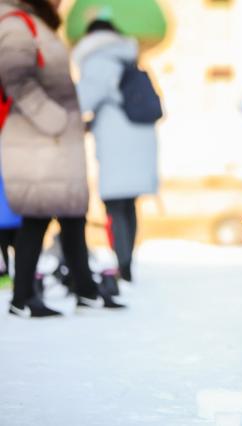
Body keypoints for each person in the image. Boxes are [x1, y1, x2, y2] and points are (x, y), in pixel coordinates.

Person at [0, 0, 123, 317]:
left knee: (72, 215)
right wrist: (55, 119)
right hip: (37, 140)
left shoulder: (36, 23)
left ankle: (85, 290)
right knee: (37, 216)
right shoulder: (17, 23)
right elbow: (16, 79)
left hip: (54, 142)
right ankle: (22, 297)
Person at [72, 19, 159, 283]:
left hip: (116, 140)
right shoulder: (126, 57)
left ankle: (122, 264)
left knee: (115, 204)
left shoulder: (98, 59)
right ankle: (127, 260)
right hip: (138, 138)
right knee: (128, 203)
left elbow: (83, 99)